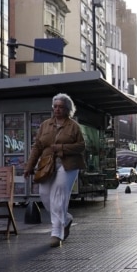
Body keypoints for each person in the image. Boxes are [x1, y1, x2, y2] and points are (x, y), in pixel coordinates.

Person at [24, 93, 86, 247]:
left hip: (68, 165)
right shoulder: (45, 125)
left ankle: (56, 234)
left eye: (61, 107)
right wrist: (29, 166)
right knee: (44, 195)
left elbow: (81, 146)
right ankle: (66, 219)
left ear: (67, 109)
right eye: (55, 106)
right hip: (47, 165)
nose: (57, 109)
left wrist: (61, 148)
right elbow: (37, 147)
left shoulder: (73, 126)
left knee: (58, 197)